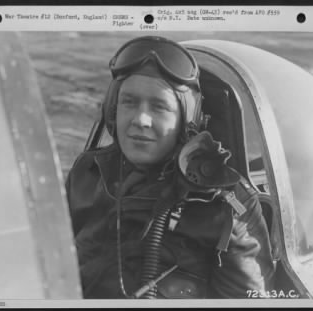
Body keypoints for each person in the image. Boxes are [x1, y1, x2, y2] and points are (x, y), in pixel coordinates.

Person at [66, 36, 275, 299]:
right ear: (112, 110)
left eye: (159, 106)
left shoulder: (229, 204)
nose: (141, 119)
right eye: (129, 102)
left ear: (186, 120)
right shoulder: (88, 172)